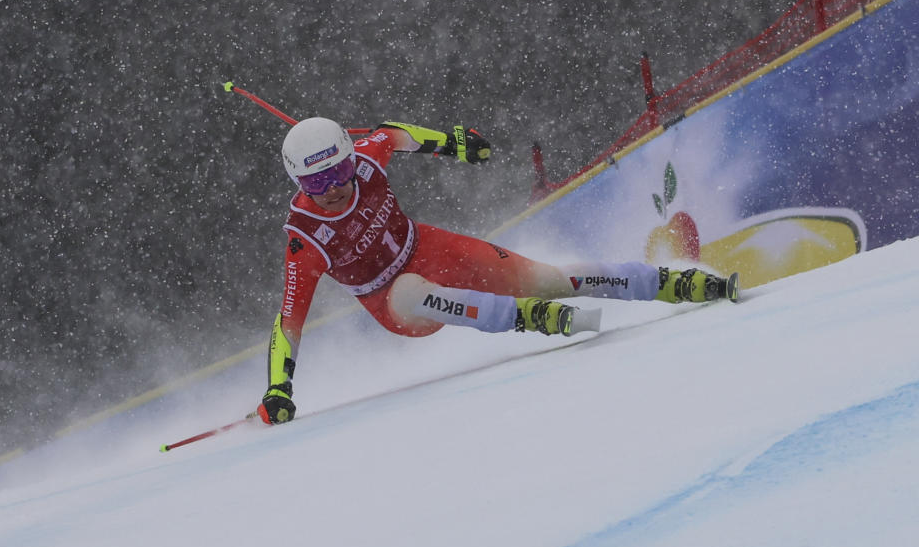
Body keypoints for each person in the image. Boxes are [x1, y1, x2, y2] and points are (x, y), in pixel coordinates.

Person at [257, 118, 738, 424]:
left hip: (432, 247)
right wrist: (280, 386)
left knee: (552, 279)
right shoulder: (307, 237)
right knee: (410, 291)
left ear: (349, 159)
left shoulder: (366, 159)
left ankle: (667, 283)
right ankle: (526, 317)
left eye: (338, 172)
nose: (333, 188)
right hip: (391, 300)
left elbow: (393, 133)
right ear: (298, 182)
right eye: (316, 182)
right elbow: (289, 320)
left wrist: (453, 144)